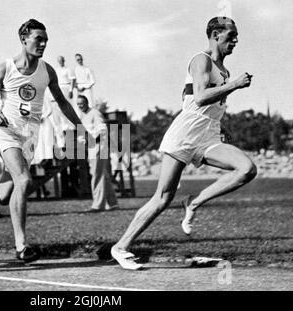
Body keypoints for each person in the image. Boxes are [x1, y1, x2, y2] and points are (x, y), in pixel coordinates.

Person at [110, 17, 256, 270]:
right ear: (215, 35)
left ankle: (194, 201)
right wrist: (234, 86)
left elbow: (211, 104)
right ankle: (121, 247)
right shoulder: (201, 60)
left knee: (246, 169)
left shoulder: (224, 70)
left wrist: (223, 125)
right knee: (163, 197)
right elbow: (199, 98)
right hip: (185, 134)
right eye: (231, 35)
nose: (236, 40)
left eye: (236, 35)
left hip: (208, 135)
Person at [0, 19, 84, 263]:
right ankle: (21, 245)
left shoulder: (47, 71)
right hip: (7, 132)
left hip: (30, 137)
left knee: (4, 195)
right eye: (38, 39)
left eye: (45, 40)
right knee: (24, 179)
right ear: (24, 39)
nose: (43, 44)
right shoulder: (4, 69)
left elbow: (63, 102)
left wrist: (80, 126)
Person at [77, 95, 119, 211]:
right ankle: (112, 203)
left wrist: (91, 140)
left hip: (99, 146)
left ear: (86, 103)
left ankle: (97, 205)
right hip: (91, 147)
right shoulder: (83, 116)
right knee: (103, 175)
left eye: (81, 103)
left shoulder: (95, 113)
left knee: (96, 174)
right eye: (78, 104)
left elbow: (102, 130)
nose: (80, 106)